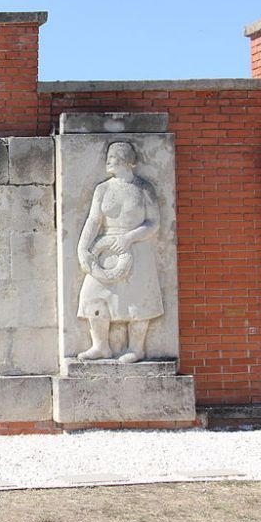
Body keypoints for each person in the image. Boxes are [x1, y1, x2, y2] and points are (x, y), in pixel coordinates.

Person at [76, 141, 163, 363]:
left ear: (128, 160)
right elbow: (94, 220)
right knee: (92, 294)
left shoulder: (144, 189)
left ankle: (136, 348)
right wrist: (83, 248)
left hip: (137, 245)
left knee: (139, 299)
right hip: (106, 247)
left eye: (115, 155)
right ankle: (100, 346)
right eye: (109, 155)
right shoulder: (102, 189)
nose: (109, 159)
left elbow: (153, 223)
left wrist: (129, 238)